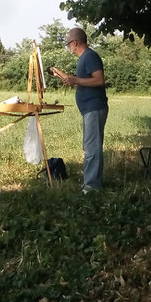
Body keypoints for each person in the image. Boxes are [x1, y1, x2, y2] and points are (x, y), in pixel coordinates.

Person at [60, 28, 108, 193]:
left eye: (68, 44)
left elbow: (99, 80)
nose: (69, 48)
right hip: (89, 109)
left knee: (92, 148)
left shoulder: (90, 56)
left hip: (94, 108)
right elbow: (85, 81)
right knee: (89, 146)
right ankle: (89, 182)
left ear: (75, 43)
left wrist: (76, 80)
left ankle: (92, 187)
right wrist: (73, 81)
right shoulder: (84, 58)